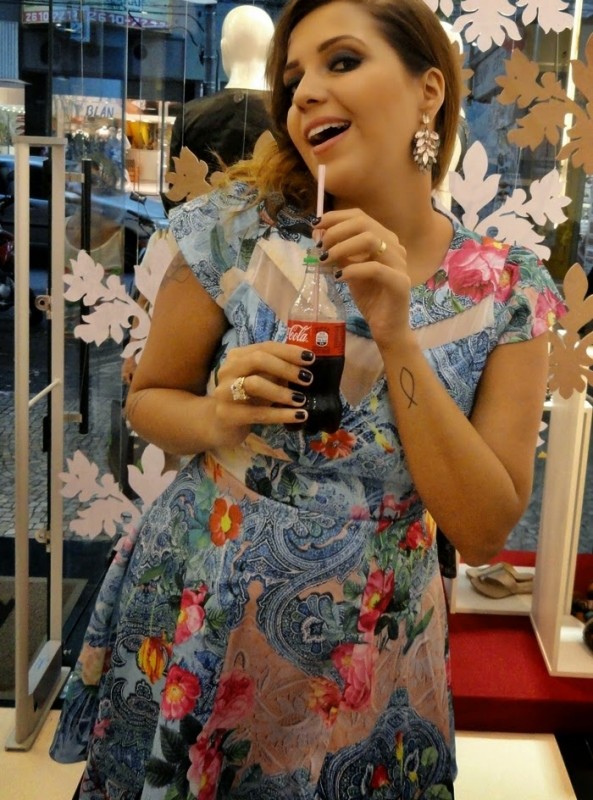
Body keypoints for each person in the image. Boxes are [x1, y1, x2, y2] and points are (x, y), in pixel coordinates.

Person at [50, 0, 566, 797]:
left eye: (342, 61)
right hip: (203, 596)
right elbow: (149, 401)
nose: (305, 94)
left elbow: (482, 528)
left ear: (428, 91)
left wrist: (395, 333)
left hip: (372, 638)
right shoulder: (235, 231)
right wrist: (216, 415)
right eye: (292, 80)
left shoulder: (506, 291)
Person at [167, 6, 274, 186]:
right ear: (272, 50)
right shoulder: (290, 115)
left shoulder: (189, 116)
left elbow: (176, 192)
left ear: (225, 48)